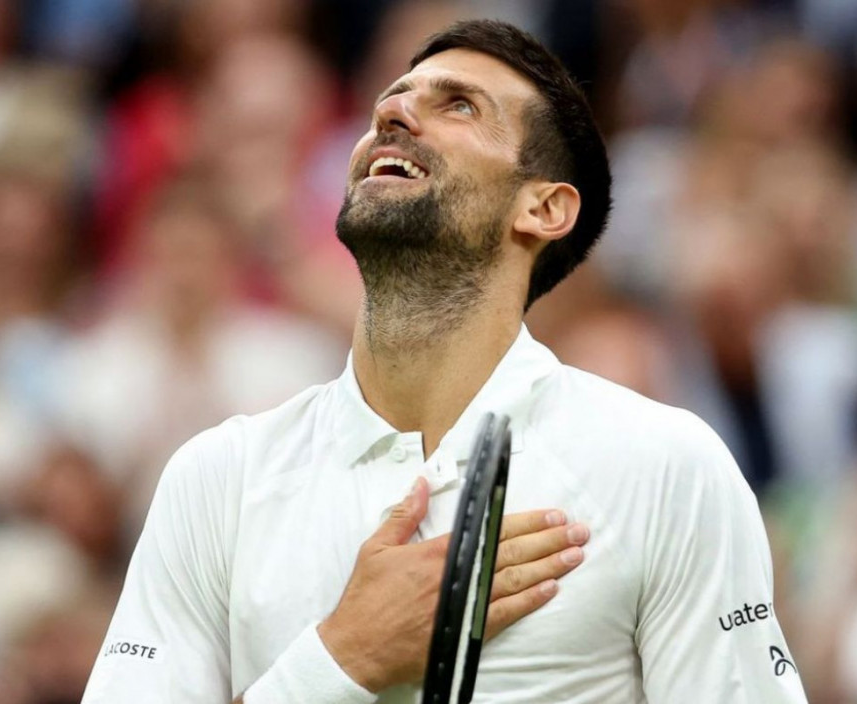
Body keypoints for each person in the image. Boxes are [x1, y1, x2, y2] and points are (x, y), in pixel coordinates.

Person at [82, 19, 808, 703]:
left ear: (545, 209)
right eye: (390, 100)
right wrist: (341, 659)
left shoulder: (666, 467)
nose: (392, 114)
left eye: (459, 105)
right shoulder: (218, 479)